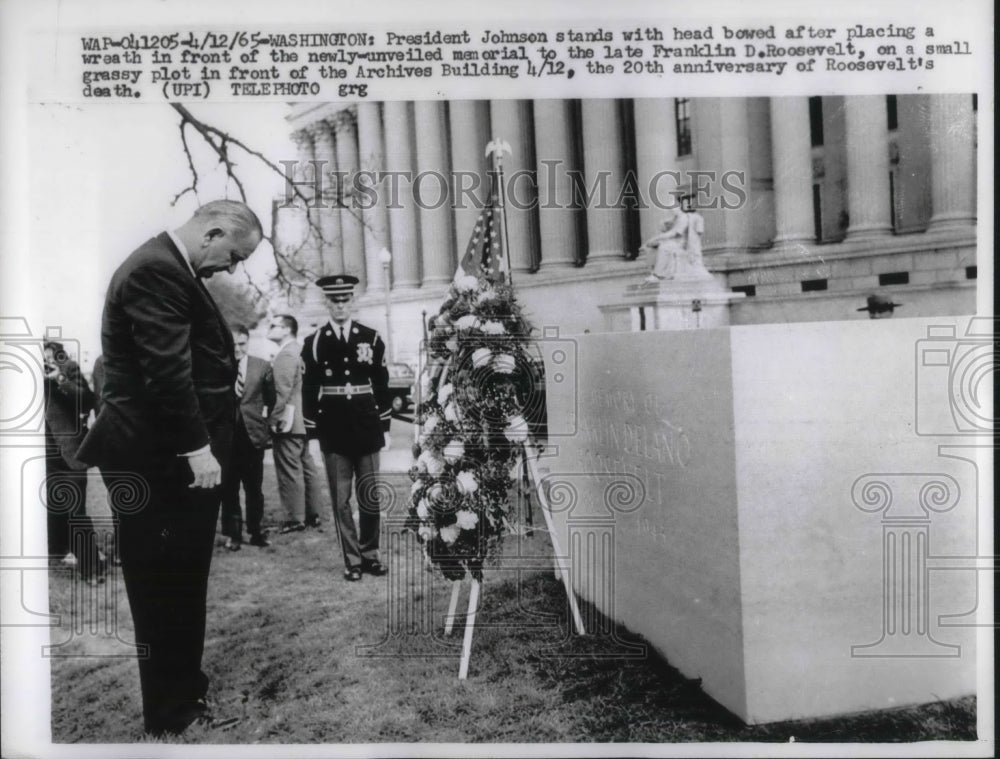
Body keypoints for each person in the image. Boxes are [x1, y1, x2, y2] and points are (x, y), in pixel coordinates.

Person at [77, 199, 263, 736]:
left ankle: (184, 692)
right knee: (165, 587)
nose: (231, 267)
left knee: (180, 583)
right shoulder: (156, 269)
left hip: (165, 458)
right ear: (213, 232)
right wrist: (196, 449)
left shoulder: (167, 266)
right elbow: (166, 372)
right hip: (159, 461)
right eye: (234, 255)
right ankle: (170, 712)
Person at [302, 275, 391, 582]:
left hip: (366, 426)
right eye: (334, 301)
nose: (340, 306)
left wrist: (386, 426)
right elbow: (309, 390)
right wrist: (313, 434)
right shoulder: (313, 343)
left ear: (353, 302)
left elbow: (381, 383)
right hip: (333, 430)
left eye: (345, 300)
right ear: (327, 303)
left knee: (370, 496)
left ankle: (370, 554)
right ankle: (351, 560)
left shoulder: (371, 337)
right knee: (341, 501)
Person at [43, 340, 103, 584]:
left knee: (76, 511)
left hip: (68, 454)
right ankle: (58, 552)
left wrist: (59, 379)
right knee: (51, 509)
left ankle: (91, 568)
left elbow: (86, 401)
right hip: (39, 456)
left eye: (48, 356)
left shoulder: (68, 367)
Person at [267, 314, 324, 534]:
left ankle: (295, 518)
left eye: (274, 325)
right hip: (302, 419)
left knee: (289, 468)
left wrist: (273, 419)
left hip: (288, 421)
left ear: (286, 330)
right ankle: (313, 514)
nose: (270, 328)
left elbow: (281, 392)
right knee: (306, 466)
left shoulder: (285, 354)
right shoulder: (299, 351)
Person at [220, 324, 274, 550]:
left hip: (252, 437)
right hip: (226, 438)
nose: (237, 349)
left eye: (242, 344)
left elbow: (271, 401)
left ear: (248, 342)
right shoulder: (218, 367)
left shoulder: (262, 366)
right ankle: (233, 535)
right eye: (233, 344)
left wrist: (265, 427)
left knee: (254, 488)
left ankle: (256, 531)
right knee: (228, 489)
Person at [641, 207, 689, 283]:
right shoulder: (674, 218)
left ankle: (659, 274)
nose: (670, 211)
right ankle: (655, 272)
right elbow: (664, 230)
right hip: (671, 241)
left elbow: (676, 234)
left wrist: (657, 238)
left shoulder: (683, 218)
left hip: (680, 243)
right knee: (651, 247)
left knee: (664, 247)